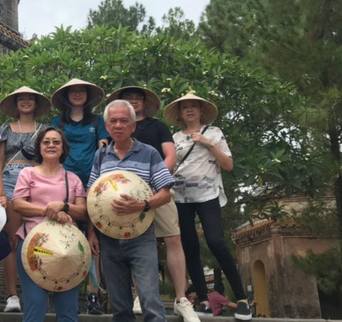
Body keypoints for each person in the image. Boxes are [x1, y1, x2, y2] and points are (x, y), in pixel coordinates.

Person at [108, 87, 199, 322]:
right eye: (129, 98)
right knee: (128, 239)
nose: (133, 101)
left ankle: (181, 298)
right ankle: (140, 295)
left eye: (137, 98)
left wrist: (154, 179)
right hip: (126, 199)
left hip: (156, 188)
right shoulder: (111, 138)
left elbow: (170, 155)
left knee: (172, 237)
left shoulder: (157, 127)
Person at [163, 93, 252, 321]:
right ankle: (202, 299)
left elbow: (228, 165)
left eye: (194, 107)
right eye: (185, 108)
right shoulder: (174, 137)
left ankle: (242, 298)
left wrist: (208, 144)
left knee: (215, 241)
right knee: (190, 246)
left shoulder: (214, 132)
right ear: (180, 113)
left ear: (201, 111)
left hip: (208, 195)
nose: (190, 110)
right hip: (181, 197)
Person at [86, 100, 174, 322]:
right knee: (121, 307)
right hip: (109, 238)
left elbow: (165, 194)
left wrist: (141, 205)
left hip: (141, 237)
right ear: (106, 126)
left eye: (124, 121)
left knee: (151, 302)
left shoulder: (149, 153)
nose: (118, 125)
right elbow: (91, 199)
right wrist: (91, 233)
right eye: (113, 121)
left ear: (133, 126)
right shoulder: (100, 156)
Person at [12, 126, 87, 322]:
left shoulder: (73, 179)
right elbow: (17, 204)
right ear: (39, 148)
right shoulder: (27, 173)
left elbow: (83, 211)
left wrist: (64, 207)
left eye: (56, 142)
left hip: (67, 250)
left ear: (63, 149)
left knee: (68, 310)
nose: (51, 145)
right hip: (33, 246)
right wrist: (49, 211)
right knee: (35, 305)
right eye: (46, 142)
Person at [50, 78, 109, 314]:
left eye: (81, 91)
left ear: (87, 96)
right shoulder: (57, 122)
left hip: (93, 183)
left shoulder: (97, 122)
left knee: (93, 240)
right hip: (64, 184)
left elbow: (103, 145)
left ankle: (94, 295)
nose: (77, 94)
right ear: (66, 96)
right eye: (72, 91)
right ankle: (60, 286)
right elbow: (53, 147)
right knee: (64, 237)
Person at [0, 86, 51, 313]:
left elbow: (50, 158)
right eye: (22, 99)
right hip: (9, 179)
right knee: (13, 239)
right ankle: (12, 294)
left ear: (36, 104)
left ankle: (38, 291)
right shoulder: (5, 128)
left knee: (39, 238)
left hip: (37, 180)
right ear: (16, 103)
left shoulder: (45, 129)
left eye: (30, 99)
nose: (26, 102)